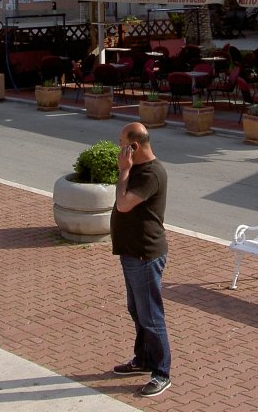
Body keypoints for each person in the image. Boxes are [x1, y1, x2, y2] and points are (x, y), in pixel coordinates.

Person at [111, 122, 171, 397]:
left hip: (145, 254)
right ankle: (143, 358)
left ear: (134, 146)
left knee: (151, 315)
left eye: (122, 143)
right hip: (131, 251)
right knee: (137, 310)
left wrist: (123, 171)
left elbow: (123, 204)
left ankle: (161, 372)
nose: (118, 148)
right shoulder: (137, 168)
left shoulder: (152, 173)